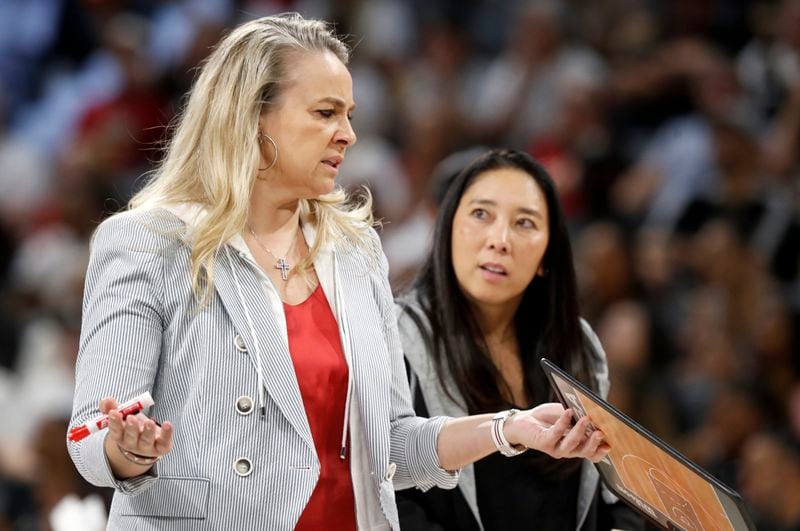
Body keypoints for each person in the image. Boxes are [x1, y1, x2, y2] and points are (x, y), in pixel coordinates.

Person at [66, 15, 609, 530]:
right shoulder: (146, 243)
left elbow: (394, 444)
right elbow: (90, 435)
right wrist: (125, 448)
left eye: (350, 115)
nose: (348, 134)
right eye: (326, 113)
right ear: (252, 116)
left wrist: (507, 427)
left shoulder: (355, 250)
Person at [395, 149, 644, 530]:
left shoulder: (578, 343)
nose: (499, 240)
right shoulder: (394, 335)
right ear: (446, 229)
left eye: (524, 222)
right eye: (481, 214)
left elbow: (611, 491)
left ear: (547, 255)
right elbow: (383, 497)